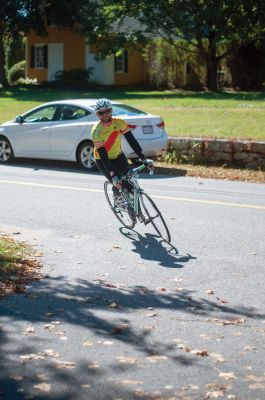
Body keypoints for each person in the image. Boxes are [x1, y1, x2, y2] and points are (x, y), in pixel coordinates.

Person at [91, 98, 153, 207]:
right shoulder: (97, 131)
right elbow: (103, 155)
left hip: (118, 156)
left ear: (111, 110)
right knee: (118, 181)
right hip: (103, 160)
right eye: (101, 113)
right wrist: (113, 174)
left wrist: (143, 158)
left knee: (131, 181)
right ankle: (117, 197)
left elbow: (132, 141)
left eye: (107, 111)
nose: (105, 115)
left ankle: (137, 210)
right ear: (97, 114)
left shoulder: (119, 123)